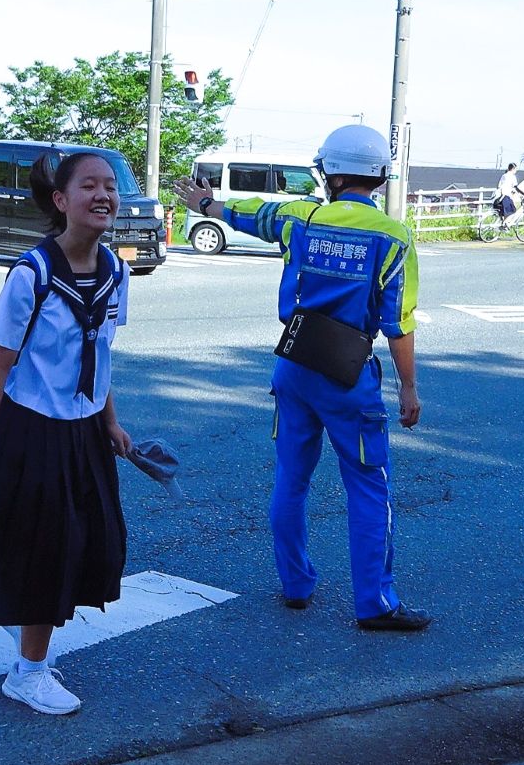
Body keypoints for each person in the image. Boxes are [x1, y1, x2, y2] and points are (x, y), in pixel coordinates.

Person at [172, 124, 430, 632]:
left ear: (327, 172)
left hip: (293, 365)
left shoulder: (299, 218)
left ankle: (295, 585)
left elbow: (250, 215)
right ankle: (375, 604)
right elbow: (398, 322)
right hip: (349, 375)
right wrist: (410, 388)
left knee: (291, 478)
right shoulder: (392, 237)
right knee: (368, 486)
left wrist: (206, 205)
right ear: (379, 179)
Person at [0, 149, 133, 715]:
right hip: (34, 432)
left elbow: (101, 351)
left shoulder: (116, 272)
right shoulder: (32, 275)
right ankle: (28, 671)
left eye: (110, 187)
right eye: (89, 186)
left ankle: (32, 643)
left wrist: (111, 421)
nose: (103, 196)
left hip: (85, 433)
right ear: (61, 200)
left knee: (90, 545)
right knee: (44, 551)